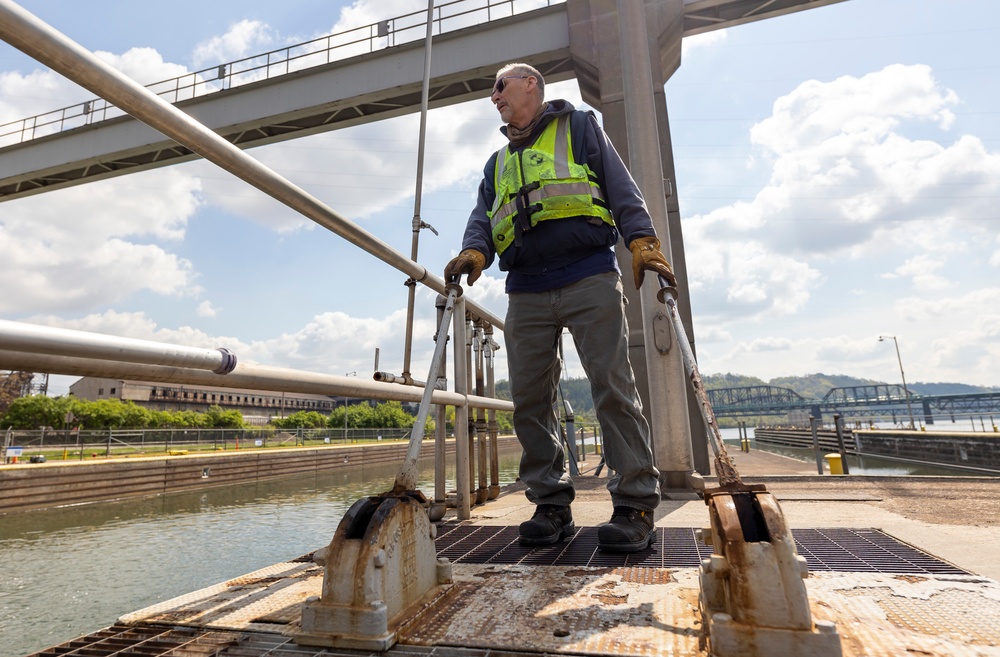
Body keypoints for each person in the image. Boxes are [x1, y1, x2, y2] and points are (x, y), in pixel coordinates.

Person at [444, 63, 677, 553]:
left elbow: (619, 184)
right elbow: (483, 216)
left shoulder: (580, 126)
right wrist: (474, 250)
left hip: (588, 273)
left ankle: (634, 504)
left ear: (531, 84)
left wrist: (641, 239)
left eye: (499, 87)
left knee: (612, 386)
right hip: (525, 287)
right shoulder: (497, 162)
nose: (494, 98)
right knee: (529, 399)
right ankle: (550, 503)